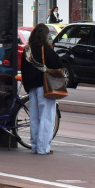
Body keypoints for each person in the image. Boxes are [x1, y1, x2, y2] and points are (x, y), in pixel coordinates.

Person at [19, 23, 63, 154]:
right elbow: (57, 64)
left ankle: (34, 146)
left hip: (32, 87)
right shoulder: (46, 49)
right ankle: (43, 148)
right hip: (45, 87)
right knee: (46, 117)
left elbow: (24, 69)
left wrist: (27, 86)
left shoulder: (28, 49)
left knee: (34, 117)